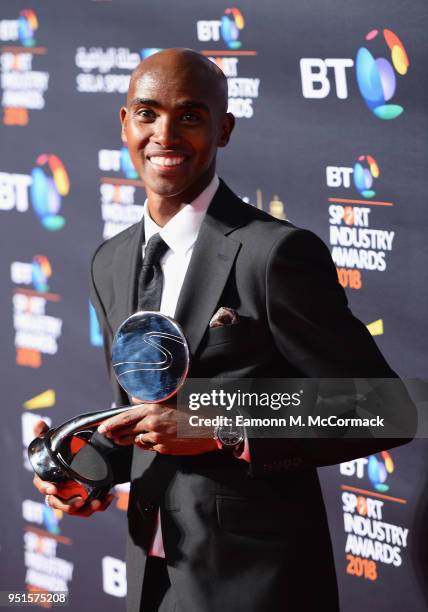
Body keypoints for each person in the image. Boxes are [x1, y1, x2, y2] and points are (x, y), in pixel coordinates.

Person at [32, 48, 415, 611]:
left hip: (258, 582)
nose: (165, 133)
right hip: (154, 577)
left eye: (190, 115)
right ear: (125, 123)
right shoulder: (109, 261)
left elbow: (387, 409)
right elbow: (145, 418)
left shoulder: (274, 254)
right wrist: (84, 473)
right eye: (147, 113)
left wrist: (221, 426)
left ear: (224, 128)